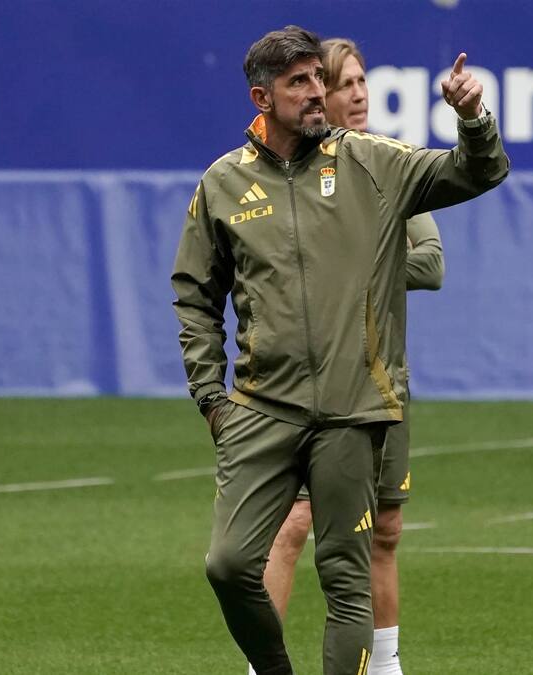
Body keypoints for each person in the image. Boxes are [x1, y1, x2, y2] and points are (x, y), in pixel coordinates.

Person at [171, 25, 507, 675]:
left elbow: (478, 171)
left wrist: (473, 118)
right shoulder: (222, 184)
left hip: (354, 407)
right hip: (261, 407)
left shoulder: (370, 161)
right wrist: (211, 397)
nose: (317, 92)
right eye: (299, 82)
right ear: (261, 97)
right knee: (229, 563)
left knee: (345, 580)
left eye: (317, 78)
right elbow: (193, 295)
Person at [251, 38, 444, 675]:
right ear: (316, 97)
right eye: (346, 84)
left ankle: (384, 668)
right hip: (307, 389)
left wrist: (362, 262)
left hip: (384, 380)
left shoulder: (387, 162)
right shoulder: (279, 170)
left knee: (383, 531)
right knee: (291, 526)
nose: (359, 95)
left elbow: (432, 263)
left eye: (363, 82)